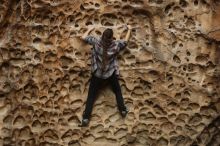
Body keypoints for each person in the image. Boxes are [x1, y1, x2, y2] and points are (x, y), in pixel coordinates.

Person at [79, 25, 132, 126]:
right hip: (110, 73)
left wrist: (89, 29)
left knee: (91, 96)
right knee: (117, 91)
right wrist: (129, 29)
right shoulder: (115, 45)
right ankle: (123, 110)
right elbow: (125, 42)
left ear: (102, 36)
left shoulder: (96, 42)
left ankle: (86, 119)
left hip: (97, 73)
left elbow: (83, 37)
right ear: (112, 38)